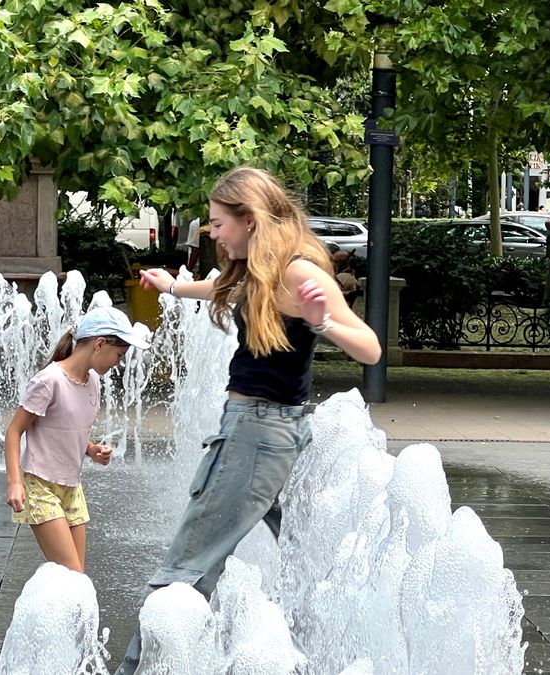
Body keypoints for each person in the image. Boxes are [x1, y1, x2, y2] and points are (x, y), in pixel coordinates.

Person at [116, 167, 381, 673]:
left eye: (218, 222)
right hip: (269, 431)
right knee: (307, 560)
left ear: (251, 218)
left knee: (188, 564)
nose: (213, 232)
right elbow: (227, 294)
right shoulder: (261, 270)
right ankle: (326, 655)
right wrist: (172, 288)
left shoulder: (300, 273)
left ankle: (138, 668)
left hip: (257, 434)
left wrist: (323, 320)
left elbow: (369, 349)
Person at [4, 306, 151, 573]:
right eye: (118, 355)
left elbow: (67, 428)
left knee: (76, 579)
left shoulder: (92, 380)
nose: (117, 363)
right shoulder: (49, 380)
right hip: (40, 486)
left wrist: (92, 449)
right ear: (100, 344)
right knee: (73, 573)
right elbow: (14, 431)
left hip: (72, 488)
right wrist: (15, 483)